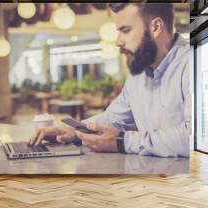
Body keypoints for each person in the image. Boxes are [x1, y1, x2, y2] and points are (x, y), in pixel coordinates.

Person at [28, 3, 190, 157]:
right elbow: (114, 118)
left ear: (155, 27)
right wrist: (73, 131)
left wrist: (122, 142)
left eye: (125, 30)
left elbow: (197, 137)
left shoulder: (197, 63)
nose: (117, 42)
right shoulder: (138, 74)